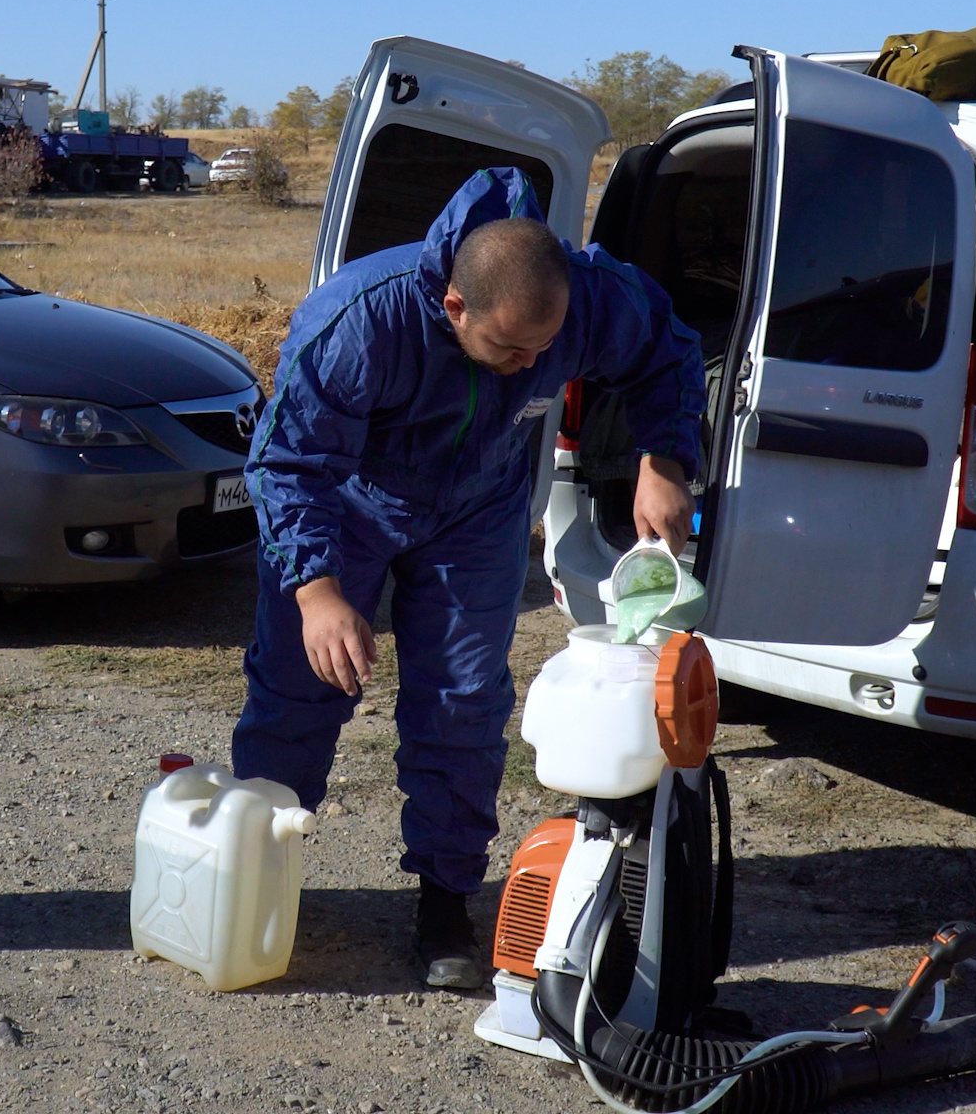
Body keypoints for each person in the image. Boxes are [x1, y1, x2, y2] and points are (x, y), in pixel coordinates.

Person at [233, 167, 704, 989]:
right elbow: (287, 462)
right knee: (298, 690)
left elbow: (668, 349)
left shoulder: (584, 299)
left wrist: (664, 460)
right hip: (348, 504)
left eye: (545, 352)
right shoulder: (359, 320)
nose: (531, 367)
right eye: (511, 350)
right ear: (457, 307)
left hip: (480, 509)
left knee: (461, 698)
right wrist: (316, 592)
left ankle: (446, 898)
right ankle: (257, 872)